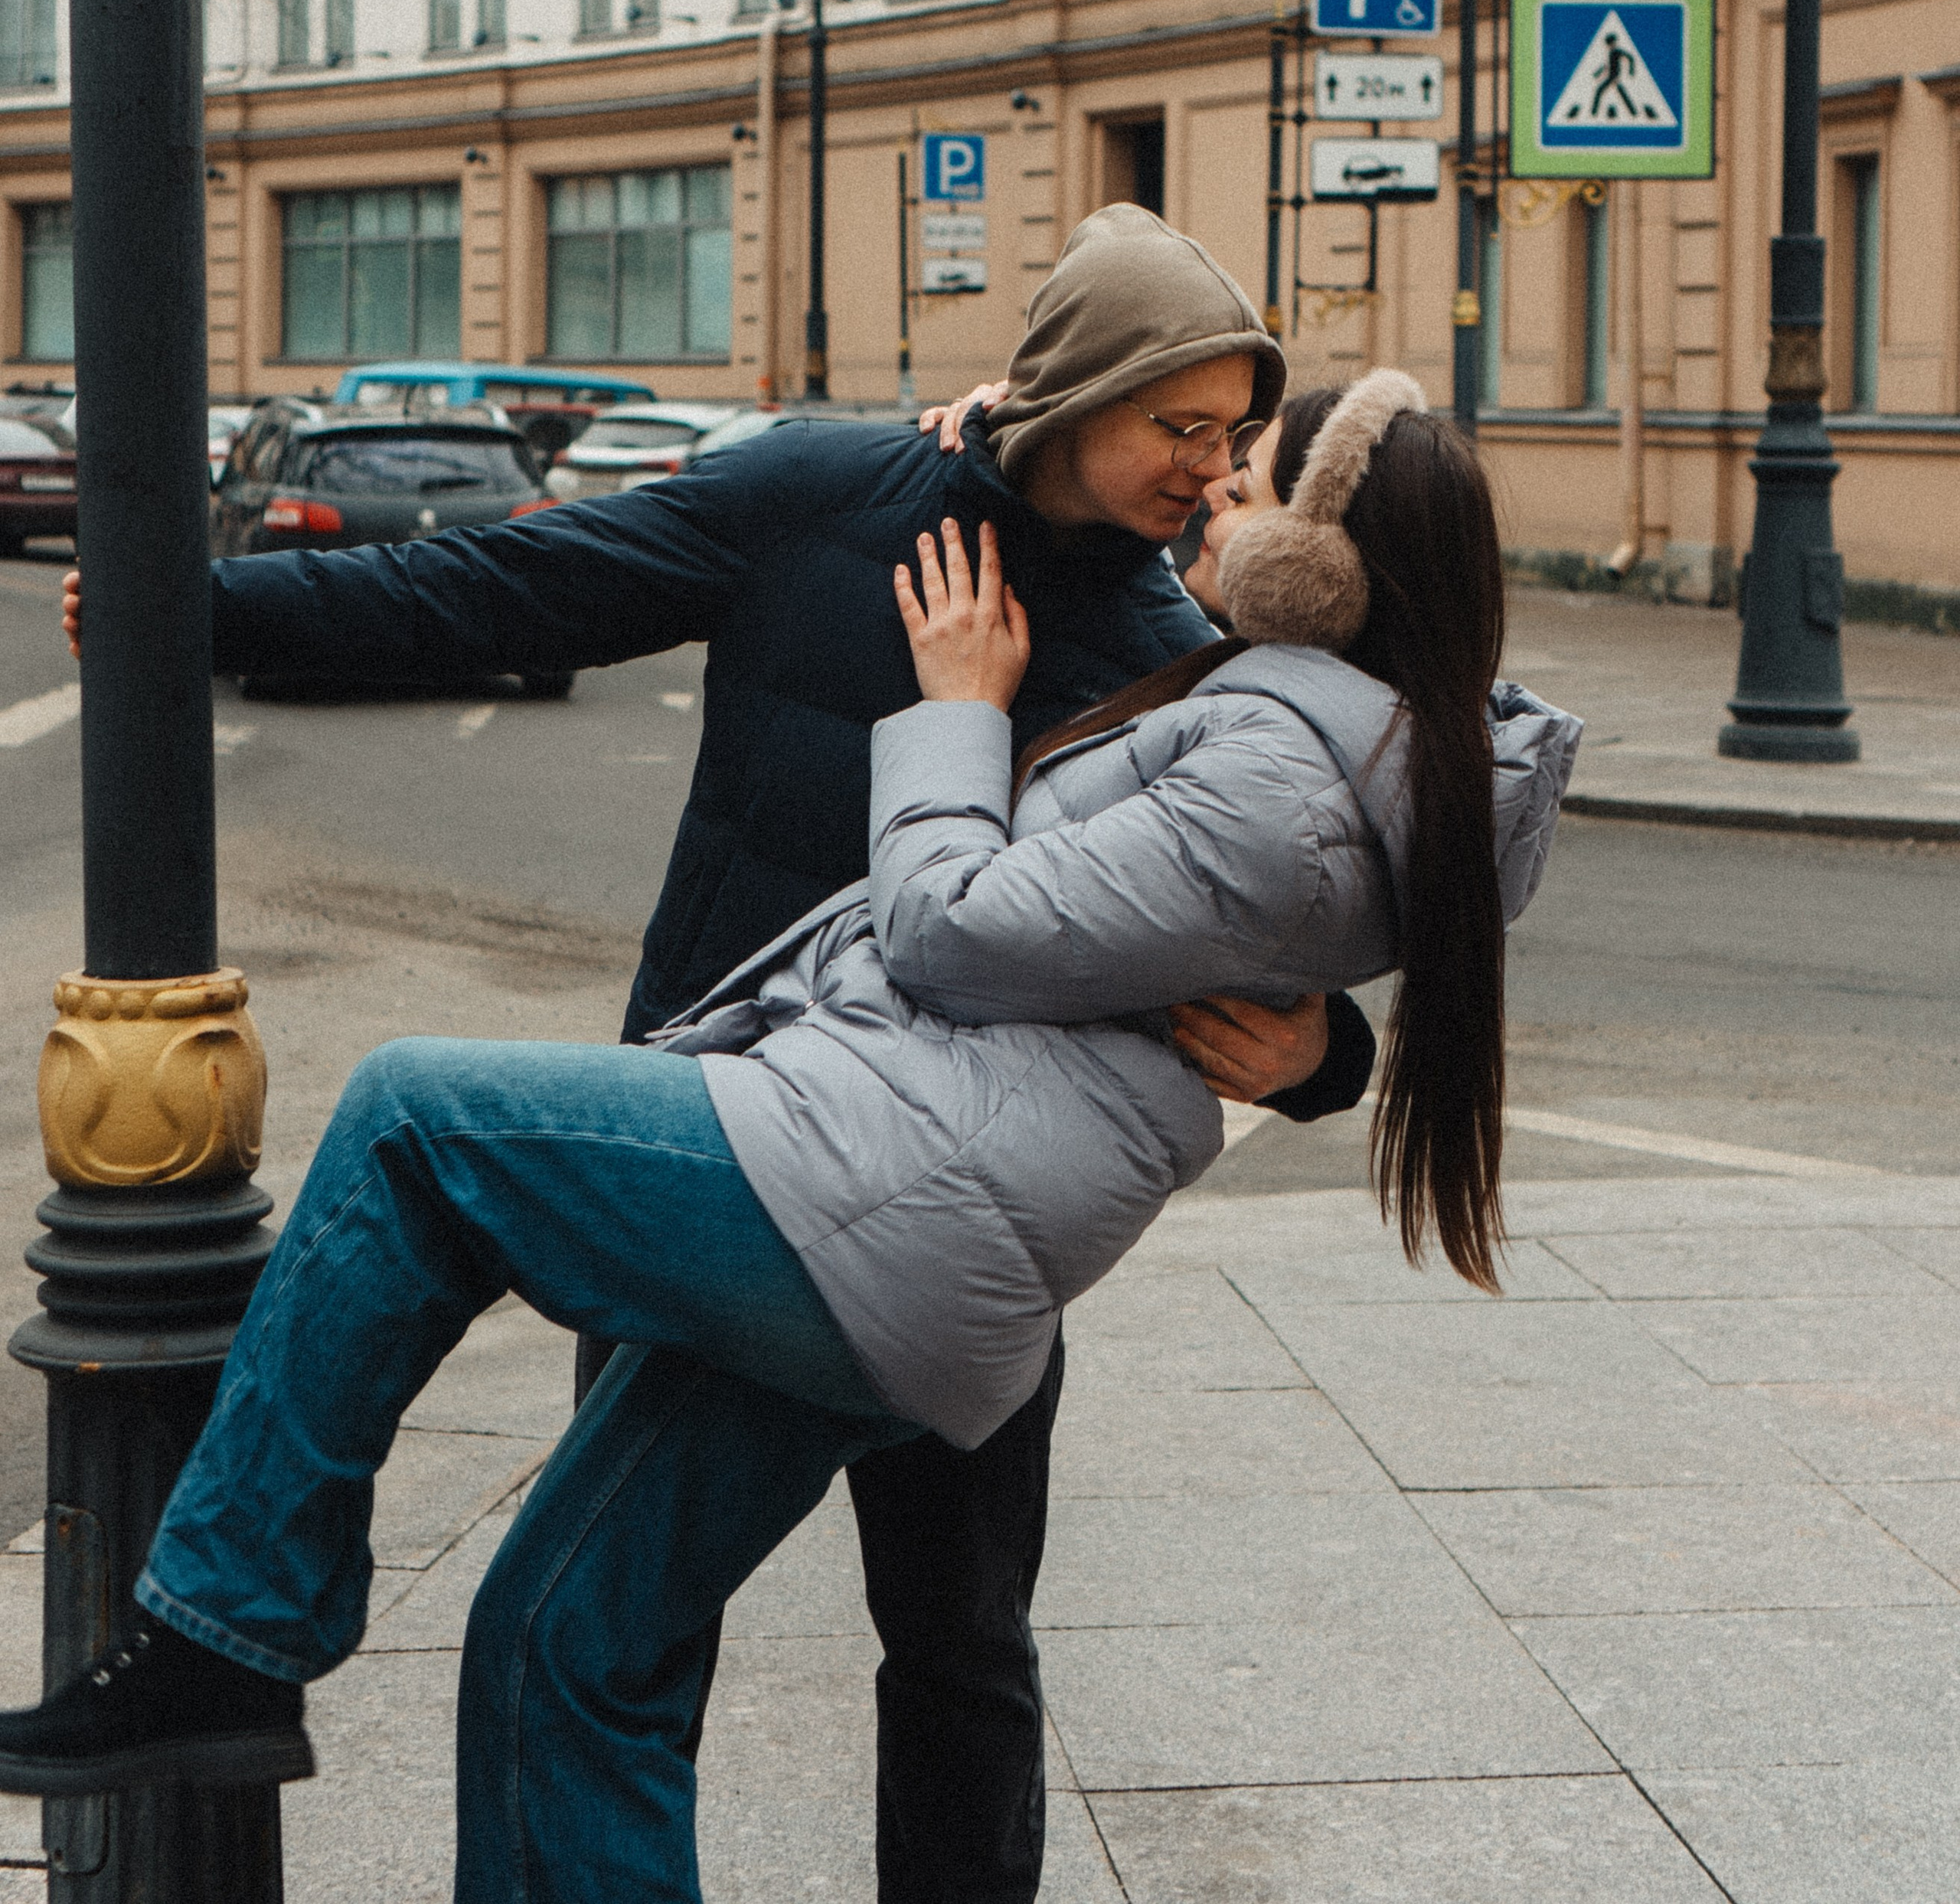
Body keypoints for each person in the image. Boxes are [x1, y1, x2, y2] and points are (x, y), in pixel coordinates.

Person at [0, 368, 1579, 1904]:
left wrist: (1319, 1049)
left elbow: (1259, 880)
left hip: (903, 1189)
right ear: (1066, 395)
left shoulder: (1183, 651)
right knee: (580, 1637)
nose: (1202, 472)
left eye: (1233, 452)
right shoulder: (835, 494)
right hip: (743, 1119)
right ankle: (240, 1657)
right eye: (1180, 430)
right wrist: (212, 613)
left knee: (956, 1635)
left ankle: (223, 1638)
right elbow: (509, 588)